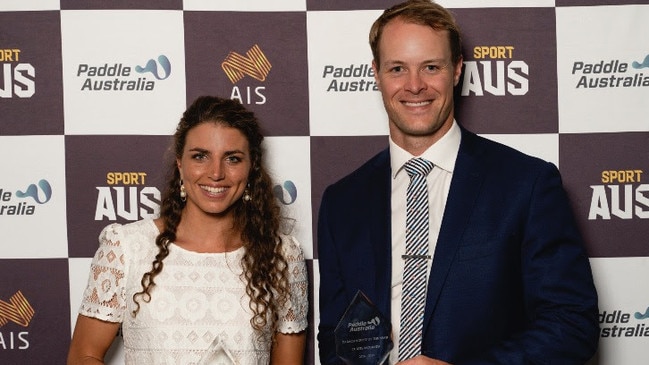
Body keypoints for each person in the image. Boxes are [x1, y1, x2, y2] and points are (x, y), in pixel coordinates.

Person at [317, 1, 599, 364]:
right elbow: (335, 338)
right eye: (397, 68)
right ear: (376, 74)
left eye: (430, 67)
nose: (414, 85)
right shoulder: (343, 202)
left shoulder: (526, 185)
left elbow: (572, 323)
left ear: (456, 70)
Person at [67, 96, 308, 365]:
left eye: (233, 159)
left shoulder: (283, 256)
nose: (216, 173)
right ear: (180, 164)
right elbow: (83, 355)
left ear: (251, 168)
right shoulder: (127, 248)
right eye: (200, 156)